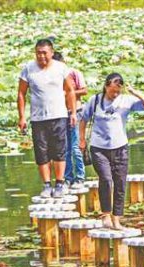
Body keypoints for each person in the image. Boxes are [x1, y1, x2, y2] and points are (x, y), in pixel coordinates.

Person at [79, 73, 144, 229]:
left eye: (117, 91)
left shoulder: (126, 100)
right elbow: (84, 119)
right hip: (99, 148)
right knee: (106, 179)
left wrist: (133, 91)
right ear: (106, 86)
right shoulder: (96, 100)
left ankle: (116, 218)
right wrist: (82, 139)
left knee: (120, 183)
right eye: (112, 91)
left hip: (120, 147)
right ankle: (105, 214)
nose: (115, 94)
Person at [17, 38, 77, 198]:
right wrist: (22, 117)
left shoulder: (61, 68)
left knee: (59, 151)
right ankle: (46, 185)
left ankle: (59, 183)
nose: (41, 56)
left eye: (44, 53)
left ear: (51, 52)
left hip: (58, 115)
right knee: (41, 152)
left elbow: (70, 90)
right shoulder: (28, 69)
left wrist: (73, 113)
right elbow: (21, 93)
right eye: (38, 53)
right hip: (38, 118)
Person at [52, 52, 88, 189]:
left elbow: (84, 91)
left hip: (76, 112)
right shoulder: (52, 76)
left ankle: (80, 177)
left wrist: (68, 92)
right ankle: (68, 178)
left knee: (75, 147)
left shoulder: (73, 73)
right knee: (64, 148)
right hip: (60, 114)